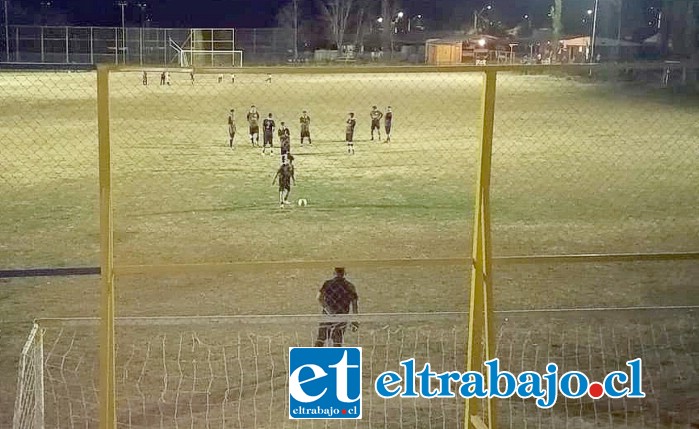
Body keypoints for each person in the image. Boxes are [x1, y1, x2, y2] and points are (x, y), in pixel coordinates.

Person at [314, 267, 359, 347]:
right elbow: (354, 304)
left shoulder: (328, 284)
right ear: (344, 273)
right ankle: (336, 358)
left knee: (321, 339)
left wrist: (328, 309)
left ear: (334, 272)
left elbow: (319, 298)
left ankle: (313, 358)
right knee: (337, 341)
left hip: (328, 315)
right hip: (342, 316)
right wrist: (355, 321)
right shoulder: (350, 286)